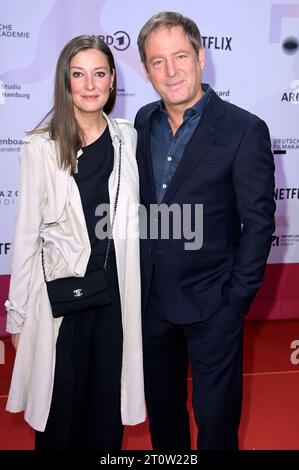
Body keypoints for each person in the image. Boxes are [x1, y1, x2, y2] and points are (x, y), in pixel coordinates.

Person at [135, 11, 275, 450]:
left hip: (214, 303)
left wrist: (236, 299)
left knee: (216, 426)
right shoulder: (141, 123)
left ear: (200, 55)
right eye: (158, 61)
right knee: (164, 420)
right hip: (150, 301)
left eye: (180, 56)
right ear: (145, 69)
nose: (171, 70)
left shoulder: (243, 129)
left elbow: (258, 222)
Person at [5, 35, 145, 450]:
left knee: (106, 414)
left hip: (115, 298)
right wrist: (18, 315)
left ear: (113, 80)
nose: (89, 84)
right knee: (58, 414)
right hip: (59, 300)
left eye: (99, 74)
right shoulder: (41, 146)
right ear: (65, 82)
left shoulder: (126, 137)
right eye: (78, 75)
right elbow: (26, 235)